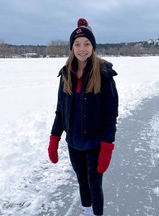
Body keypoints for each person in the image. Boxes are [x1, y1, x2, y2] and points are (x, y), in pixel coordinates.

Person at [48, 18, 119, 216]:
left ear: (93, 46)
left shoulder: (104, 75)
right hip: (74, 145)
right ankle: (86, 212)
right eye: (77, 44)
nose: (82, 48)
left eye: (87, 44)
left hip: (96, 145)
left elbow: (110, 114)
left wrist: (107, 145)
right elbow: (60, 111)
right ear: (72, 47)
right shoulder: (66, 75)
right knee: (82, 181)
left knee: (95, 185)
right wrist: (54, 139)